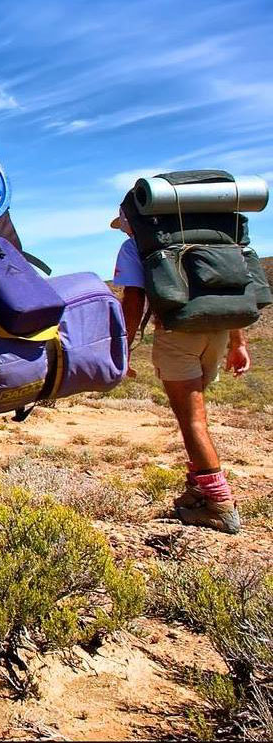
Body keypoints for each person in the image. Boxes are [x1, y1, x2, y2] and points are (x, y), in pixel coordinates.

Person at [112, 206, 251, 534]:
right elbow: (232, 289)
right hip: (218, 330)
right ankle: (196, 491)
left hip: (178, 335)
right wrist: (238, 342)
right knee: (196, 414)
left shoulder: (138, 246)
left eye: (123, 224)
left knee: (191, 420)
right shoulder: (209, 240)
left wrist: (123, 348)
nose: (123, 230)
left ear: (131, 220)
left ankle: (219, 504)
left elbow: (133, 300)